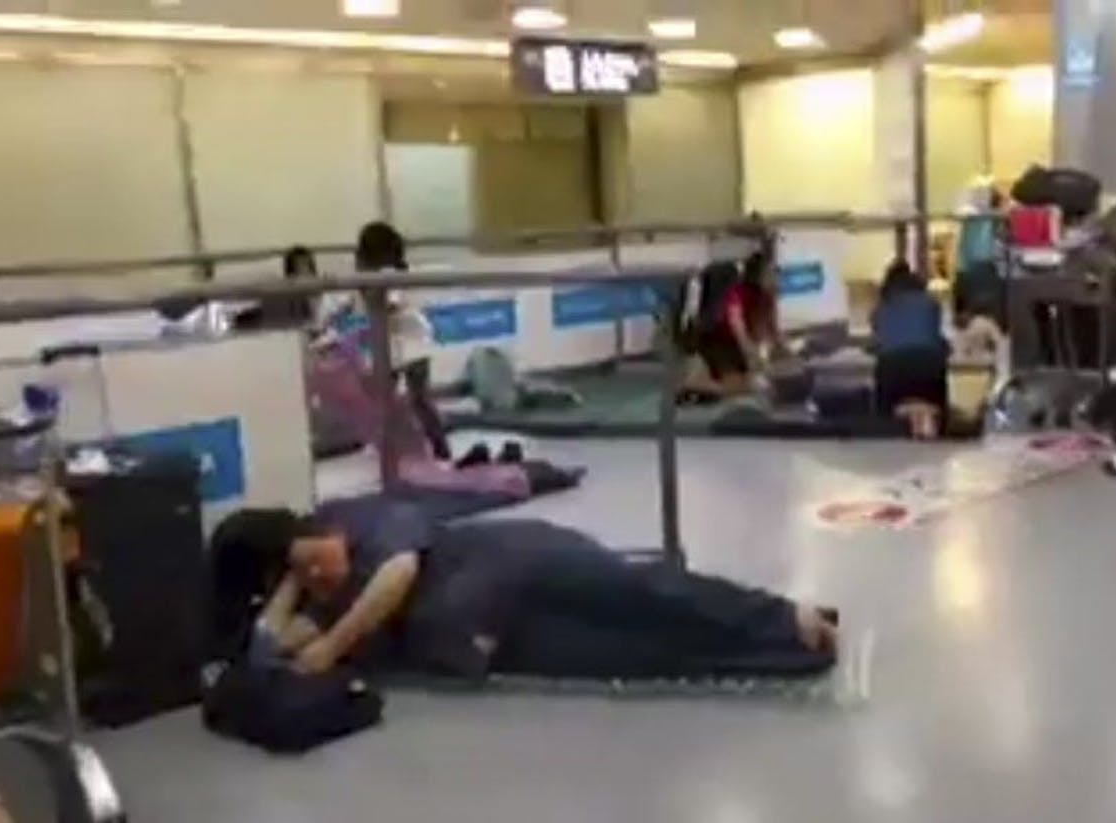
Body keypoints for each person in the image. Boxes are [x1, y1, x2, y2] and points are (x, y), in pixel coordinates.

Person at [256, 502, 838, 681]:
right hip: (493, 636)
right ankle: (783, 653)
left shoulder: (373, 522)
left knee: (644, 596)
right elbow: (275, 638)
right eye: (303, 576)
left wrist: (331, 647)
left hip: (521, 563)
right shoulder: (322, 593)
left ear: (331, 528)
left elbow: (398, 574)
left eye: (316, 560)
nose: (319, 577)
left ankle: (784, 616)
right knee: (642, 655)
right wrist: (291, 588)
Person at [322, 222, 452, 461]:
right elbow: (344, 305)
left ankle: (440, 446)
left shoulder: (392, 276)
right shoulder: (365, 278)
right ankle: (393, 447)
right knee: (384, 398)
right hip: (389, 344)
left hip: (414, 340)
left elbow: (388, 304)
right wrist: (332, 319)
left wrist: (362, 295)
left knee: (419, 398)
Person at [684, 252, 783, 399]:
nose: (776, 277)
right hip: (717, 338)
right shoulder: (737, 292)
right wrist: (751, 352)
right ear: (757, 275)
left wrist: (783, 350)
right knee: (736, 388)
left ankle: (713, 381)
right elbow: (737, 325)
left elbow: (772, 327)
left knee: (750, 383)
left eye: (776, 272)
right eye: (772, 272)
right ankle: (691, 385)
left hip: (736, 342)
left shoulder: (769, 295)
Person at [871, 259, 948, 440]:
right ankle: (936, 438)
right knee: (935, 407)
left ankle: (890, 443)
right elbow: (935, 337)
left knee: (886, 415)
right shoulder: (931, 303)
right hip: (930, 364)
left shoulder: (881, 308)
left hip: (892, 366)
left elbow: (879, 341)